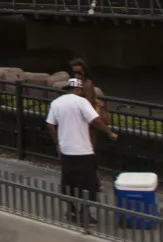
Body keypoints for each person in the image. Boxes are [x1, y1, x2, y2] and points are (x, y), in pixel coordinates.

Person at [46, 76, 116, 226]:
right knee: (88, 184)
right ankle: (85, 214)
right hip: (83, 150)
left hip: (66, 150)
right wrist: (109, 132)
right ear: (78, 90)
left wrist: (58, 143)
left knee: (69, 181)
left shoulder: (56, 103)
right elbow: (95, 120)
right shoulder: (81, 102)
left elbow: (50, 125)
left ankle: (71, 211)